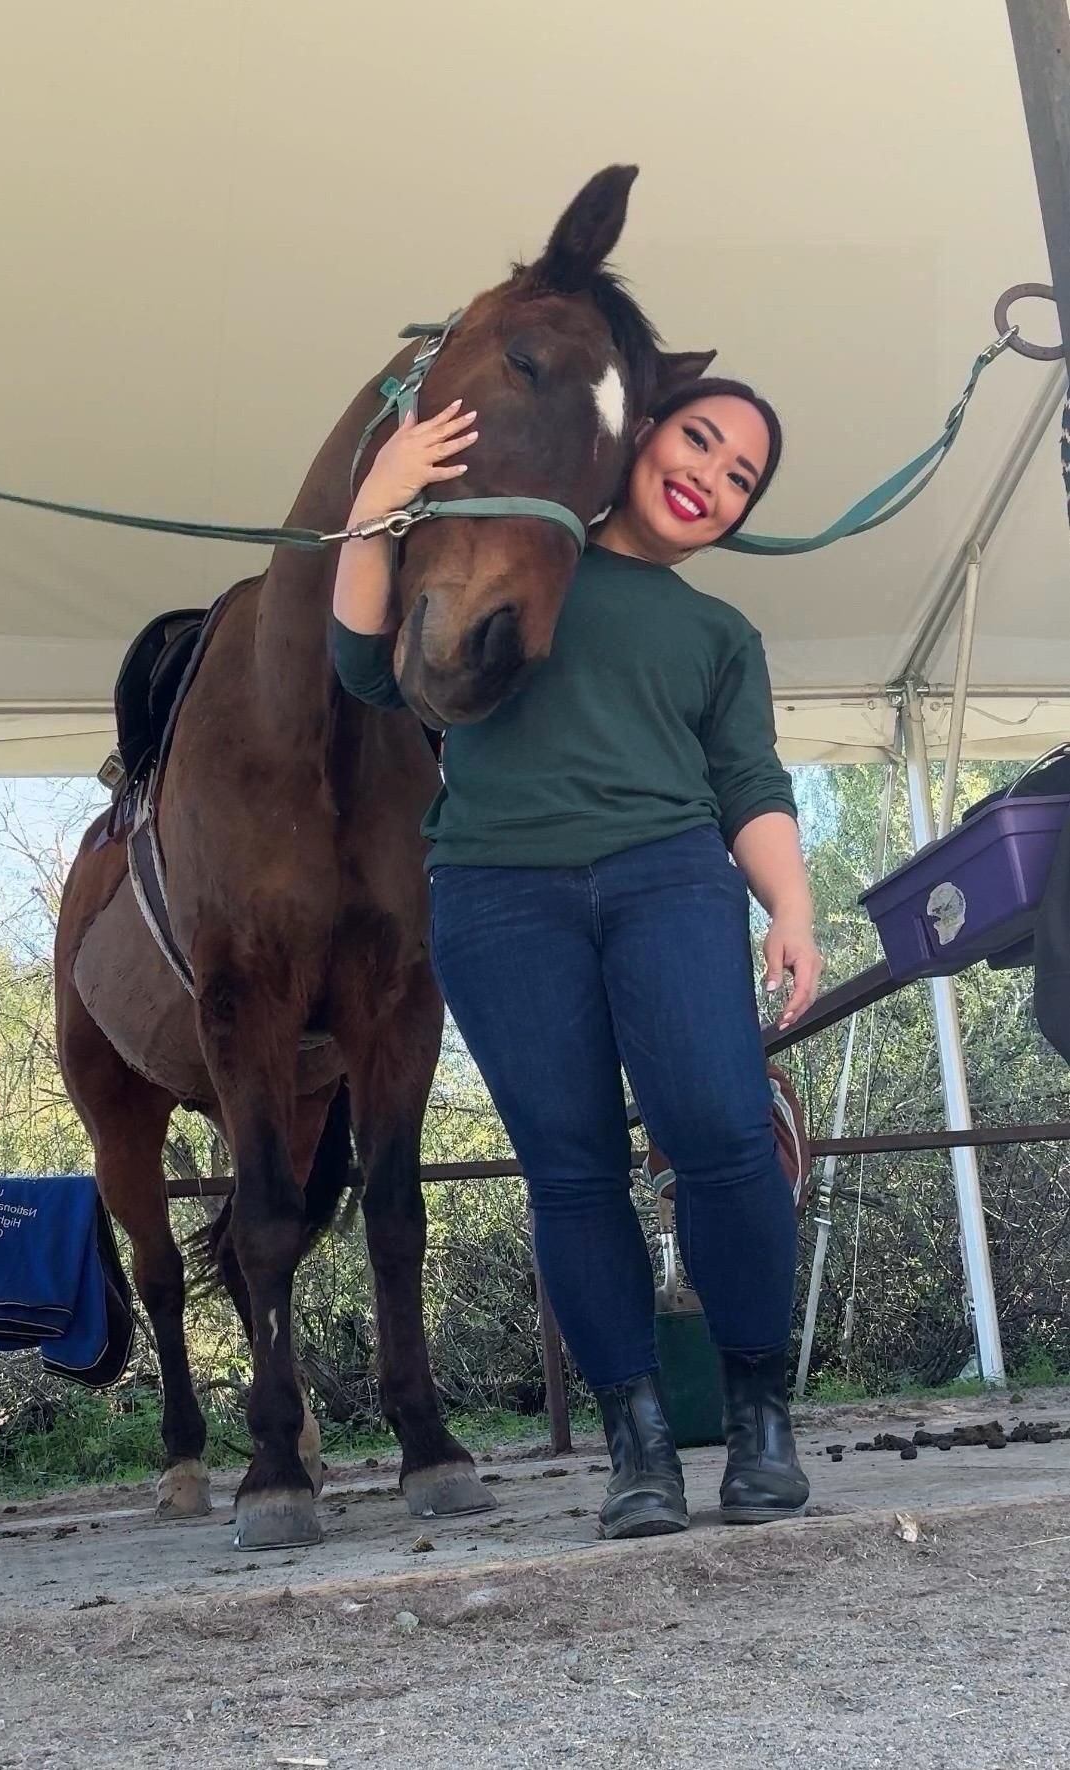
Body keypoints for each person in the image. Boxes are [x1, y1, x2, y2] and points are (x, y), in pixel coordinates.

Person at [330, 378, 822, 1539]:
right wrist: (381, 500)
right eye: (697, 436)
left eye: (739, 474)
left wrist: (790, 910)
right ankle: (634, 1444)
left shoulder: (715, 633)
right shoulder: (507, 549)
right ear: (641, 435)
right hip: (497, 895)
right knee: (570, 1168)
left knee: (719, 1130)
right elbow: (364, 670)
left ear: (738, 513)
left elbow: (748, 782)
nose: (709, 471)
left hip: (669, 878)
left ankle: (757, 1416)